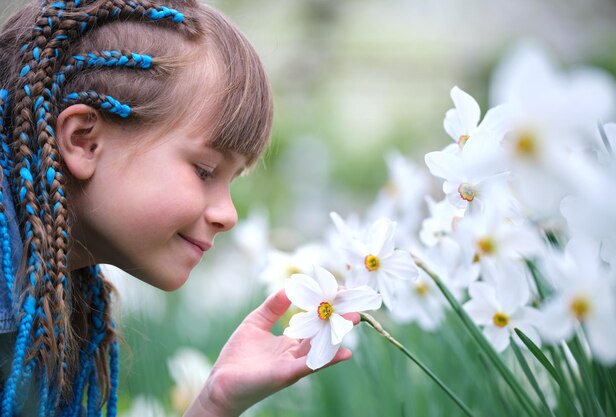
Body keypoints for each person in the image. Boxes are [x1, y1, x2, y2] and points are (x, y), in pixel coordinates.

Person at [0, 1, 359, 416]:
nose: (228, 214)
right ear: (84, 140)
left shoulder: (52, 291)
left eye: (232, 179)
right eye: (205, 171)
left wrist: (214, 403)